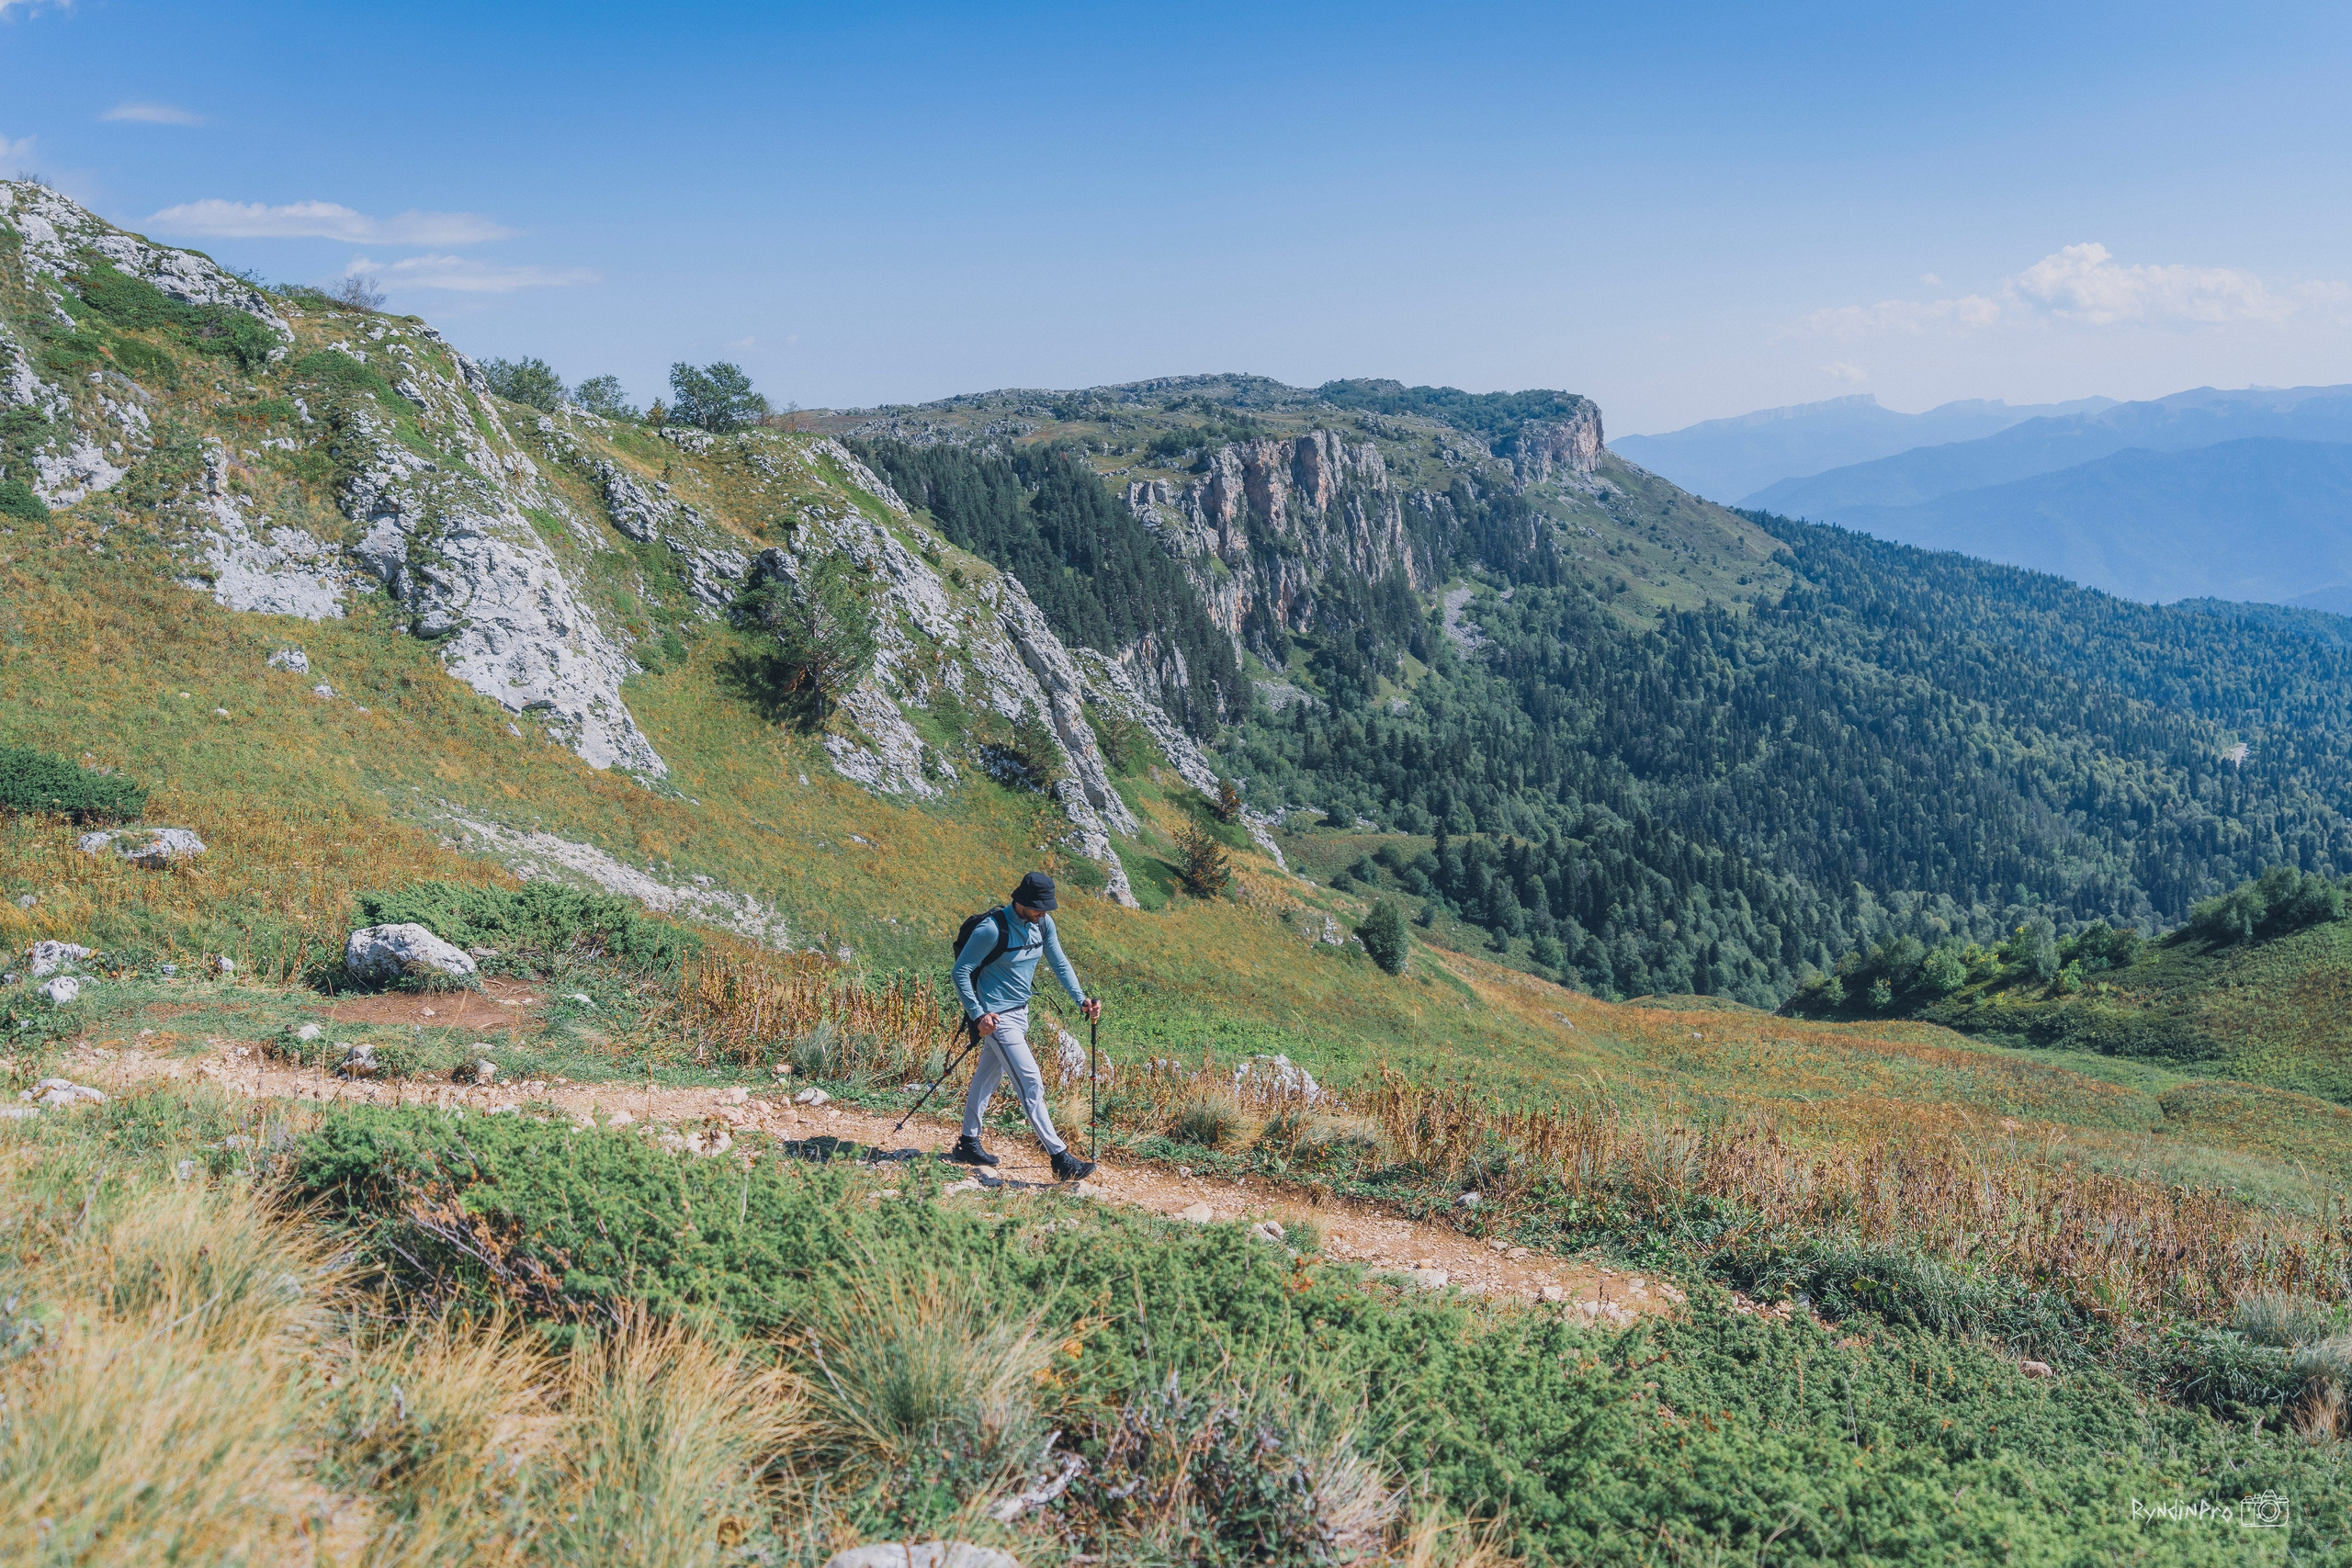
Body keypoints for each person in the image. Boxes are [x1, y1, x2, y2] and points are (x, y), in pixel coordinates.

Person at [949, 871, 1102, 1181]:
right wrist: (979, 1014)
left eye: (1046, 908)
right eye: (1037, 908)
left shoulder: (1043, 923)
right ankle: (1060, 1159)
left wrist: (1080, 1000)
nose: (1042, 913)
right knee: (1031, 1082)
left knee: (987, 1076)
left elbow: (1059, 963)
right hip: (997, 1021)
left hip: (1021, 1014)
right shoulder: (991, 930)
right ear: (1020, 902)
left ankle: (968, 1142)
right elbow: (960, 972)